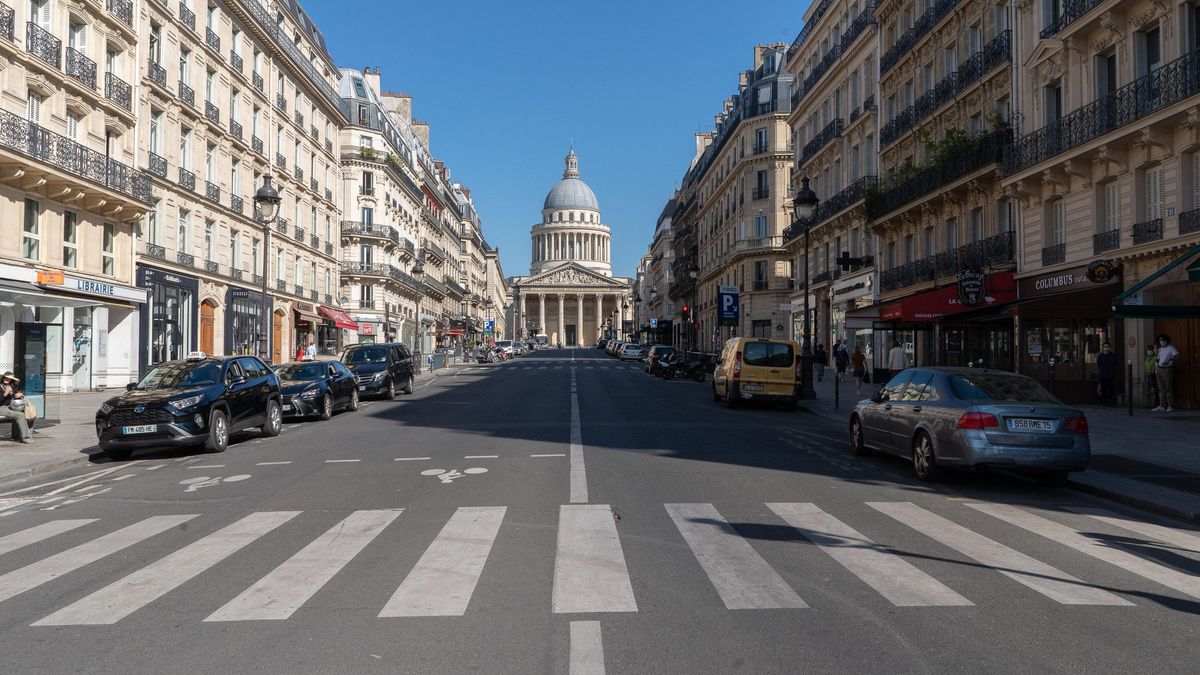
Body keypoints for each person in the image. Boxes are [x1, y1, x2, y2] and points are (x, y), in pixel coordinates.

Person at [0, 372, 32, 444]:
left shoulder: (11, 387)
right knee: (20, 415)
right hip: (2, 407)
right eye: (5, 378)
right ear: (2, 378)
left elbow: (14, 397)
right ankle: (25, 437)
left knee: (26, 413)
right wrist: (5, 393)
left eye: (9, 378)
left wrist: (18, 395)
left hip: (11, 407)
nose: (6, 379)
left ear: (11, 380)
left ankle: (20, 436)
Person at [1153, 334, 1181, 412]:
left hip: (1167, 369)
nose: (1161, 342)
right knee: (1161, 389)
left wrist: (1170, 360)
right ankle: (1161, 405)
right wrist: (1156, 367)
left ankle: (1170, 406)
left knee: (1168, 388)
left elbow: (1177, 356)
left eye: (1163, 340)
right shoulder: (1160, 349)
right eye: (1160, 340)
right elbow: (1158, 358)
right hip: (1159, 369)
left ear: (1166, 341)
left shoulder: (1171, 348)